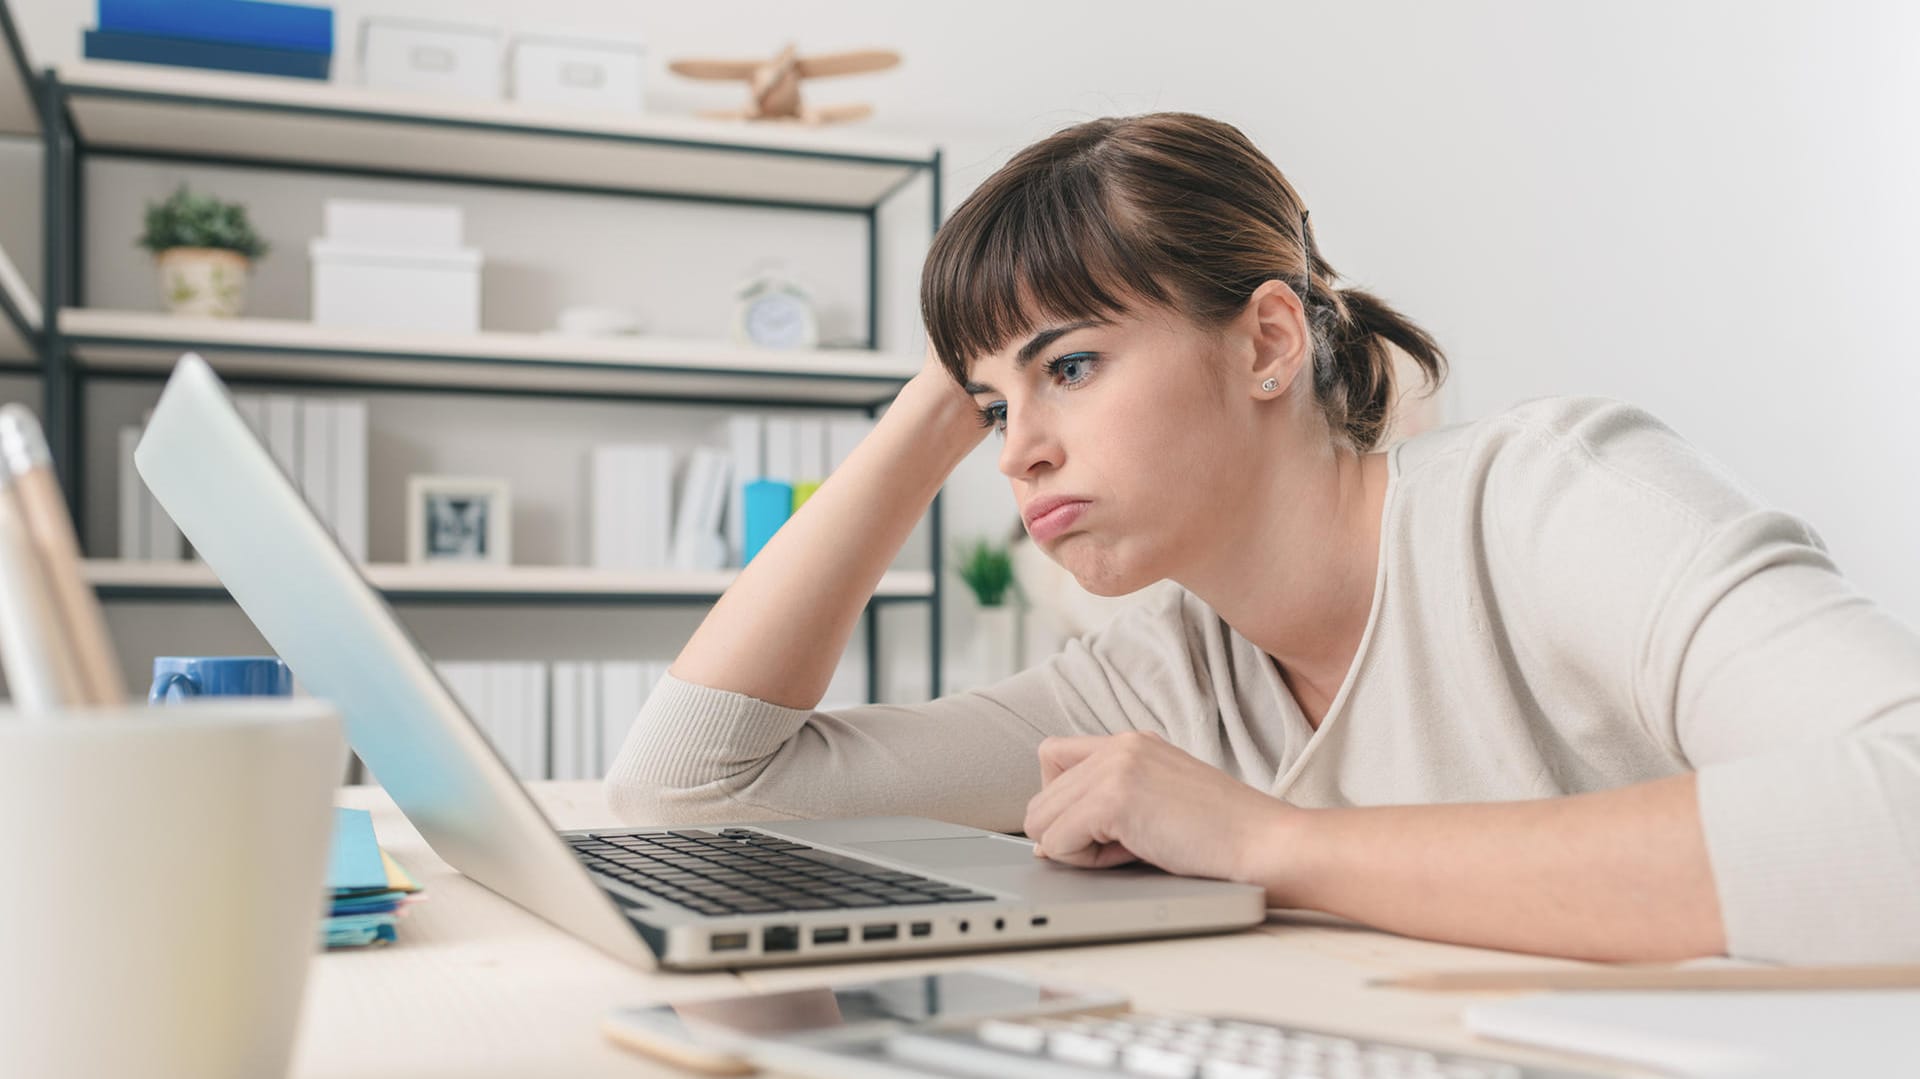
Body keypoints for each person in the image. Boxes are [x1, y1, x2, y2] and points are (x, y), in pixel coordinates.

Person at [607, 112, 1920, 965]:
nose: (1016, 451)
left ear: (1269, 342)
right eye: (991, 407)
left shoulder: (1550, 503)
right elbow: (693, 795)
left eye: (1069, 369)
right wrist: (922, 417)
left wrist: (1269, 842)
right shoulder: (1153, 679)